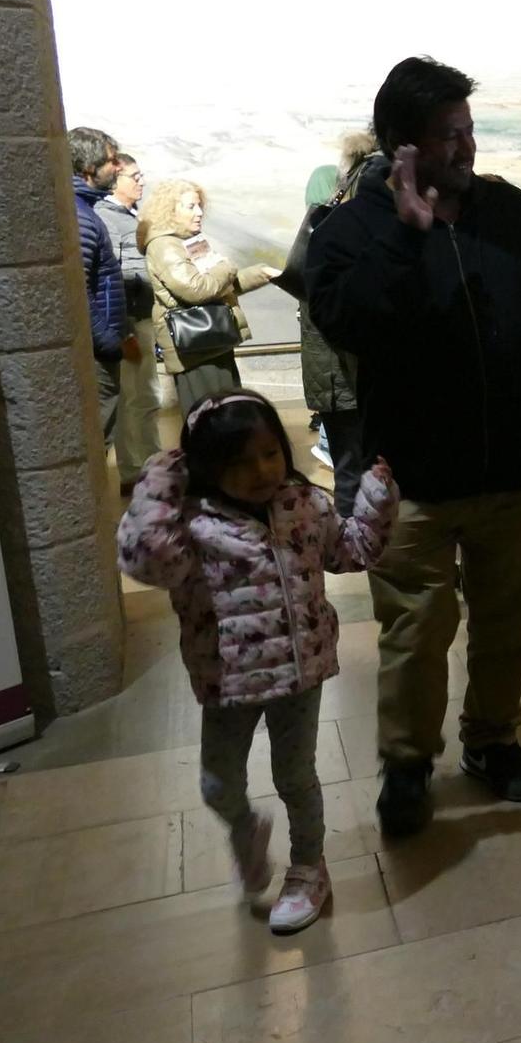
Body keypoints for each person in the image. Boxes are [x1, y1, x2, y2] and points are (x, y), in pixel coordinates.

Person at [306, 56, 521, 837]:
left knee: (507, 622)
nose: (467, 147)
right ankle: (409, 764)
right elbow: (347, 323)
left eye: (470, 130)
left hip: (515, 471)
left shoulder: (508, 213)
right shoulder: (354, 229)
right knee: (415, 629)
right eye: (448, 135)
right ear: (402, 146)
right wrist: (405, 238)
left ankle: (491, 740)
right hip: (413, 478)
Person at [115, 390, 399, 933]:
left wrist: (376, 498)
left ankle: (308, 867)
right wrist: (158, 484)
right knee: (218, 784)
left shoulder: (305, 505)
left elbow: (352, 551)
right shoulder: (191, 527)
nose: (261, 470)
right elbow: (148, 561)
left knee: (296, 777)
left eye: (270, 453)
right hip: (226, 681)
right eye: (239, 461)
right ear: (204, 466)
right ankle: (245, 831)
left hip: (301, 672)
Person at [140, 179, 276, 413]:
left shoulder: (187, 241)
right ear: (169, 210)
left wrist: (261, 273)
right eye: (191, 206)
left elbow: (217, 286)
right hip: (197, 350)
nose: (200, 212)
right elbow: (197, 290)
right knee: (212, 422)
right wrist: (228, 266)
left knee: (227, 418)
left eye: (200, 205)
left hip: (211, 344)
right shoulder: (164, 245)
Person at [296, 132, 380, 506]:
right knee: (352, 470)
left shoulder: (329, 236)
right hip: (341, 376)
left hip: (340, 377)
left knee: (356, 468)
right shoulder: (337, 239)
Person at [72, 126, 141, 472]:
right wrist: (109, 342)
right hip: (99, 352)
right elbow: (77, 292)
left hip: (105, 344)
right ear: (88, 170)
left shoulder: (85, 211)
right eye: (112, 161)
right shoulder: (82, 217)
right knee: (96, 442)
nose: (117, 168)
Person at [95, 152, 160, 491]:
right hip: (129, 323)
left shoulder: (129, 216)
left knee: (147, 396)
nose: (141, 181)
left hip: (142, 319)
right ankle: (135, 471)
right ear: (115, 178)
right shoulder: (106, 219)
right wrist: (123, 330)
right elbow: (110, 279)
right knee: (133, 398)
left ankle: (156, 464)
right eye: (134, 176)